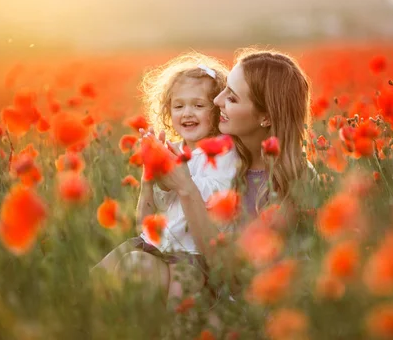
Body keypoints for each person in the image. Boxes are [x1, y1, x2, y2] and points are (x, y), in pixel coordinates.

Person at [93, 53, 237, 306]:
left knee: (177, 305)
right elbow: (144, 223)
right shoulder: (174, 150)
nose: (187, 113)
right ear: (168, 112)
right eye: (179, 106)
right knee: (96, 279)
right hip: (155, 246)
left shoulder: (224, 151)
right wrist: (149, 175)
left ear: (217, 111)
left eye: (198, 105)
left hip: (194, 255)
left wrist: (179, 175)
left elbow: (217, 199)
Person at [155, 48, 313, 275]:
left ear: (265, 117)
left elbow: (234, 273)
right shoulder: (219, 160)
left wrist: (186, 187)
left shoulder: (291, 183)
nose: (217, 100)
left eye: (231, 97)